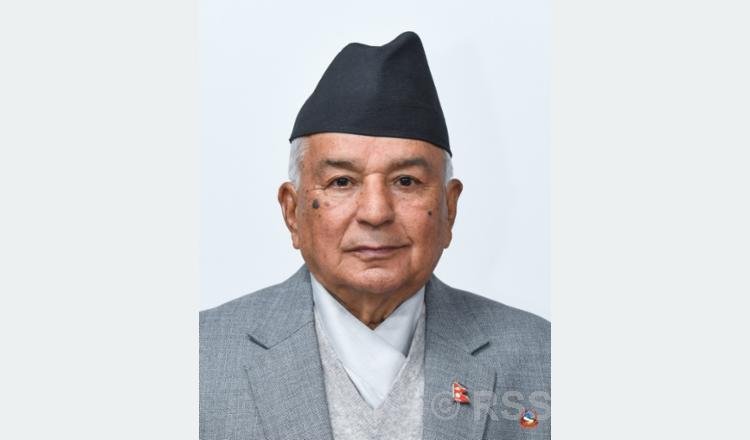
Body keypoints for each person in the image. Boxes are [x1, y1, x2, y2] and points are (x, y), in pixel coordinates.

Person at [200, 31, 550, 440]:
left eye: (406, 181)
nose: (375, 212)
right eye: (342, 182)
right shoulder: (200, 358)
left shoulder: (544, 358)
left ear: (449, 209)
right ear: (292, 212)